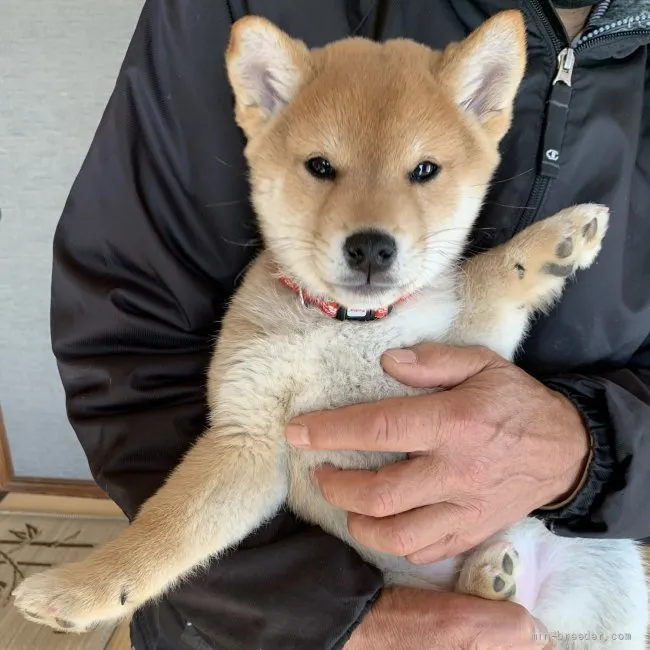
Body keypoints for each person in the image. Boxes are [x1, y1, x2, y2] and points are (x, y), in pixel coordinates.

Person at [50, 1, 650, 649]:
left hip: (552, 553)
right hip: (266, 622)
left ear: (485, 103)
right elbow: (129, 347)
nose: (373, 224)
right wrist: (344, 619)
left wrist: (591, 452)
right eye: (322, 168)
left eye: (422, 172)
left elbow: (478, 328)